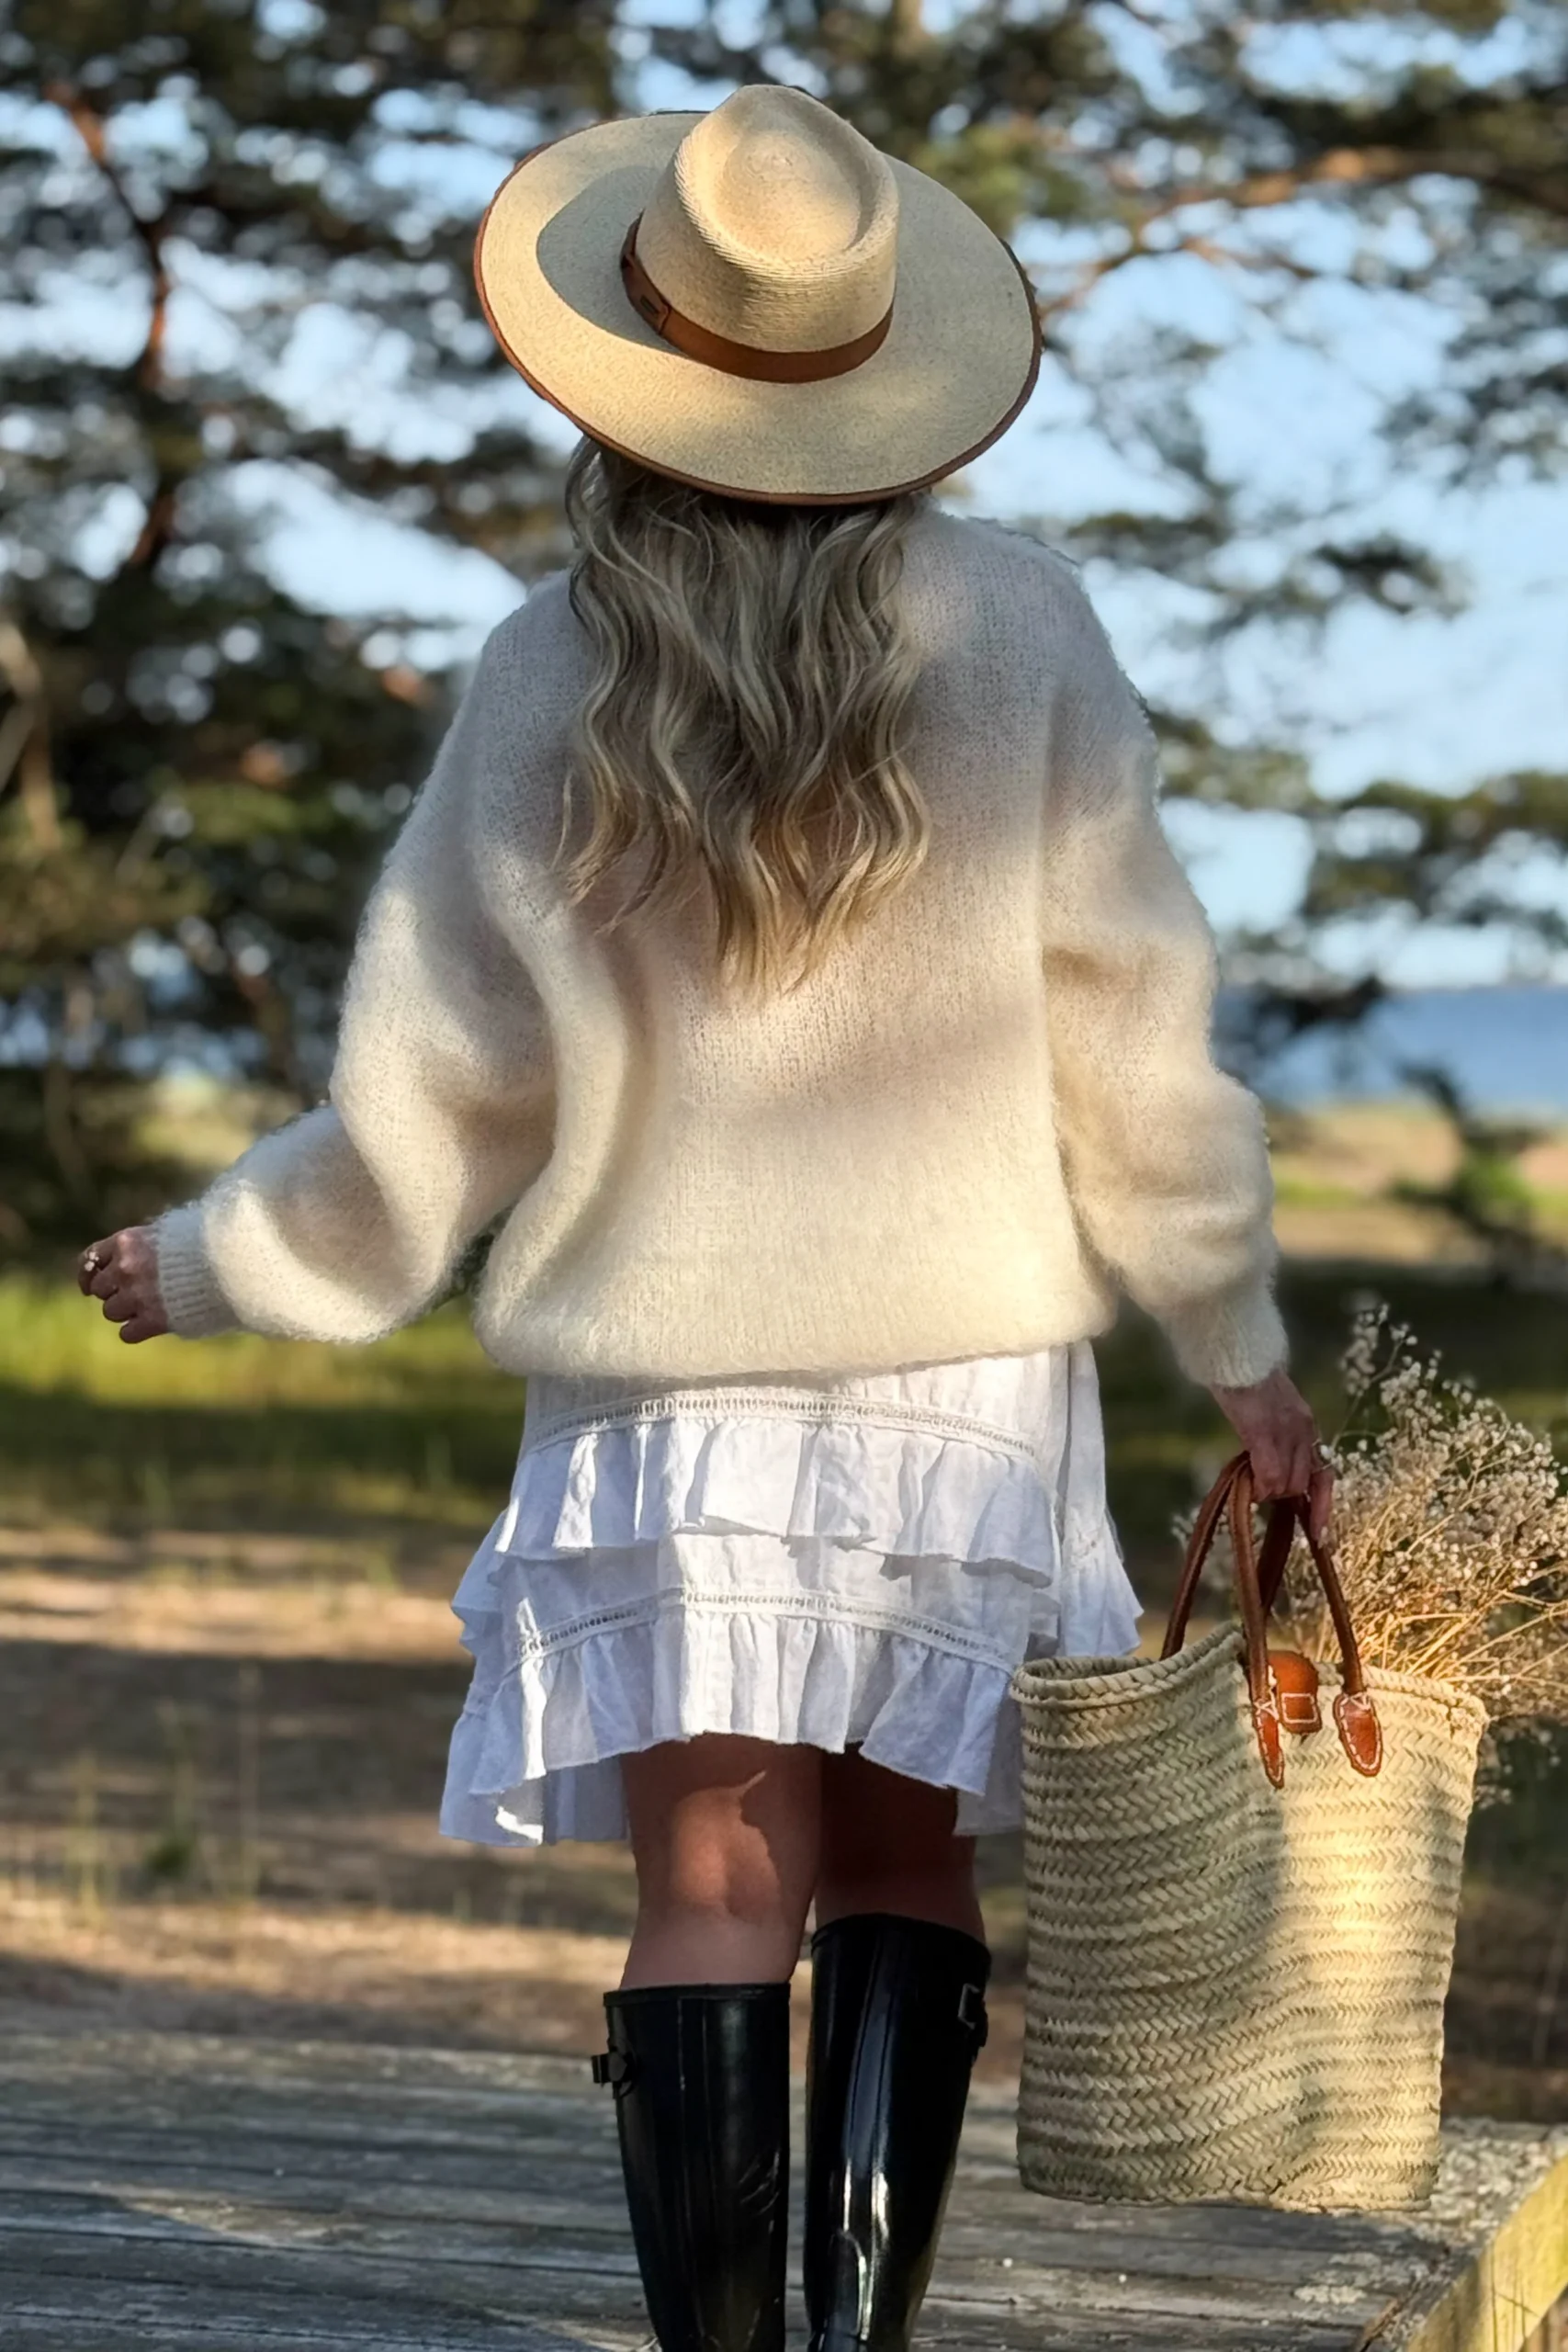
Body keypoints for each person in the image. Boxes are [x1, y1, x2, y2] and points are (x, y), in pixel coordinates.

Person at [77, 82, 1332, 2352]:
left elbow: (438, 1085)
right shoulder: (1026, 627)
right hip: (963, 1375)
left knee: (713, 1880)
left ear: (633, 365)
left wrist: (223, 1255)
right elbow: (1135, 1042)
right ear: (887, 367)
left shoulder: (548, 663)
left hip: (669, 1392)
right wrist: (1237, 1349)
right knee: (906, 1865)